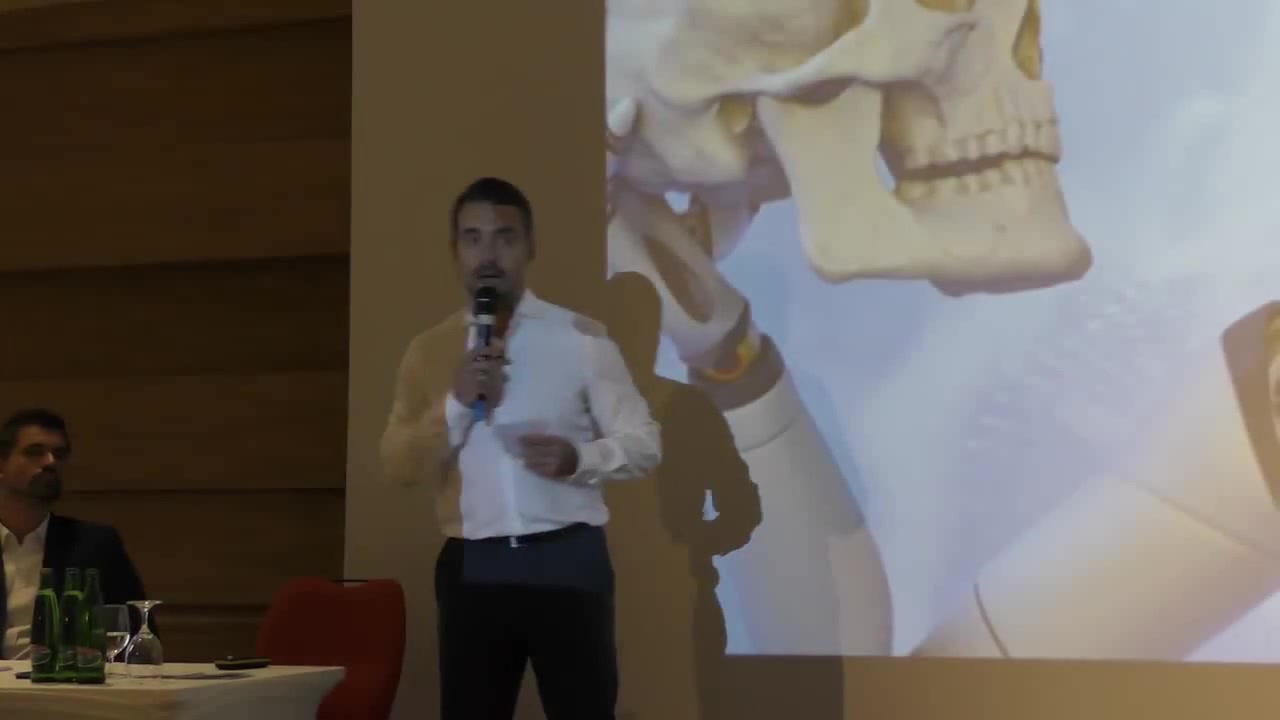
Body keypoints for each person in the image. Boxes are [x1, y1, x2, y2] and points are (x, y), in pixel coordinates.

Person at [380, 176, 662, 719]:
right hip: (472, 565)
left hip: (568, 557)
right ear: (455, 251)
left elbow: (645, 442)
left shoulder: (582, 338)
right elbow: (397, 464)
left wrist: (580, 459)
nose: (488, 256)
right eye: (473, 238)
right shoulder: (429, 352)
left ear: (530, 246)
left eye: (504, 237)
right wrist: (456, 404)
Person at [0, 408, 149, 660]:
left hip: (66, 681)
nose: (50, 462)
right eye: (34, 452)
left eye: (59, 454)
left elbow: (136, 640)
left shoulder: (95, 544)